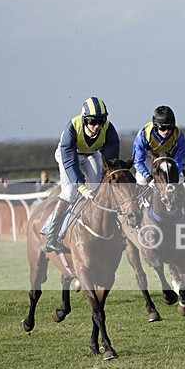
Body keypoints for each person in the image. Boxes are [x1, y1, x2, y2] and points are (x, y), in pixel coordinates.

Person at [44, 96, 120, 253]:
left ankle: (110, 230)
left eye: (101, 121)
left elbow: (111, 162)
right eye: (92, 121)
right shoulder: (72, 128)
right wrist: (82, 188)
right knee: (70, 192)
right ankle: (51, 237)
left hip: (91, 154)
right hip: (69, 156)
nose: (97, 126)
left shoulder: (109, 130)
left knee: (99, 189)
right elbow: (71, 164)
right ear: (85, 120)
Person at [132, 105, 185, 221]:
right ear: (155, 126)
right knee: (141, 179)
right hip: (149, 158)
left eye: (169, 128)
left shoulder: (178, 135)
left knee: (179, 179)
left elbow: (180, 160)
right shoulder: (143, 135)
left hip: (168, 158)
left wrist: (174, 174)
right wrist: (148, 177)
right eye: (163, 128)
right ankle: (136, 209)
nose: (167, 132)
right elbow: (138, 161)